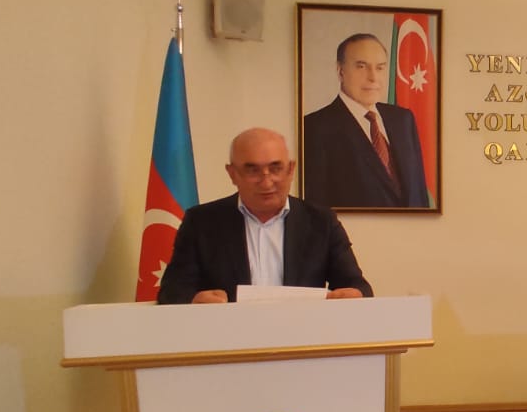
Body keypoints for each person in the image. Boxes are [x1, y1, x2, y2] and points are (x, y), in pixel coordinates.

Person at [157, 128, 374, 304]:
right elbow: (172, 291)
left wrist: (353, 294)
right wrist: (195, 299)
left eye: (275, 168)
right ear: (232, 174)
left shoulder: (321, 222)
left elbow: (358, 285)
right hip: (227, 339)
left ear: (290, 169)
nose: (266, 181)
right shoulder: (201, 222)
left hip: (302, 338)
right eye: (253, 170)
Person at [303, 33, 429, 209]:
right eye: (361, 67)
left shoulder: (403, 120)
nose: (373, 77)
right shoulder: (314, 128)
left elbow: (420, 194)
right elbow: (315, 209)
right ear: (340, 71)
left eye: (380, 68)